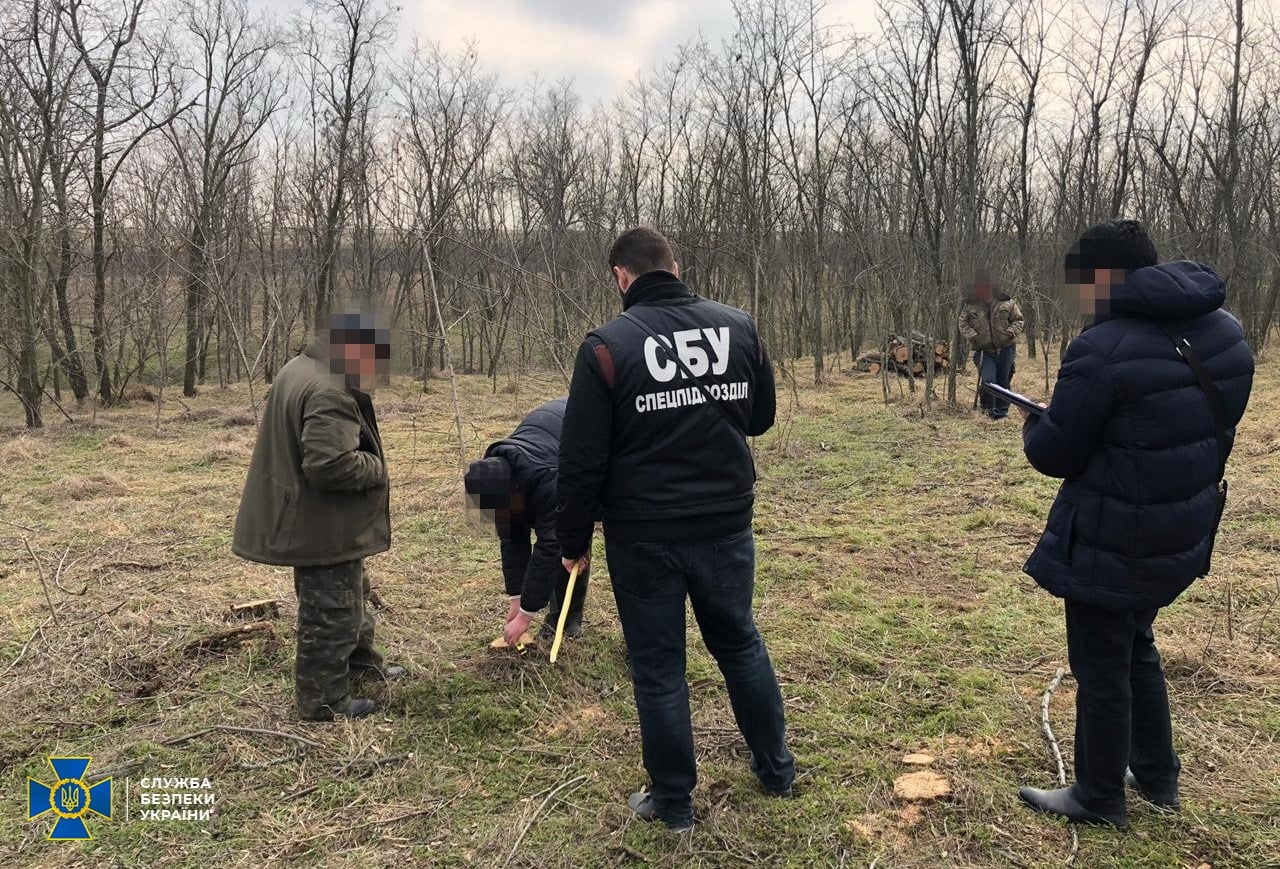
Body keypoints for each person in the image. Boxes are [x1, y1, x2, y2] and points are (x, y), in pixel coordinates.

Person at [557, 226, 795, 832]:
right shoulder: (738, 326)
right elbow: (761, 418)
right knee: (740, 642)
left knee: (660, 668)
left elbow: (582, 460)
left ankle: (675, 805)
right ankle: (777, 770)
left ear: (621, 277)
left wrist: (573, 542)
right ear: (676, 266)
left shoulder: (606, 346)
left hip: (643, 536)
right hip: (724, 523)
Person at [1016, 220, 1253, 827]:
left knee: (1100, 665)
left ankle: (1098, 796)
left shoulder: (1101, 347)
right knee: (1136, 644)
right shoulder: (1224, 331)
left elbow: (1055, 454)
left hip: (1114, 535)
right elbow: (1178, 420)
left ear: (1103, 279)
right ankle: (1155, 774)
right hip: (1181, 527)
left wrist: (1037, 422)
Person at [232, 312, 405, 722]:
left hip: (317, 518)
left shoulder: (303, 367)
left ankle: (361, 665)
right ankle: (323, 701)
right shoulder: (331, 389)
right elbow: (330, 464)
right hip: (318, 523)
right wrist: (378, 467)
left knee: (351, 595)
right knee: (332, 611)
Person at [464, 397, 589, 646]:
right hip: (553, 437)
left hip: (585, 431)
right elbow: (512, 541)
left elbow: (551, 545)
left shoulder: (546, 479)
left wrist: (525, 615)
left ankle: (566, 621)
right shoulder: (495, 478)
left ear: (515, 492)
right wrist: (516, 599)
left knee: (569, 545)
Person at [959, 274, 1024, 419]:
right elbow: (962, 323)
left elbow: (1019, 320)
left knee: (1003, 381)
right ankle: (988, 411)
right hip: (984, 351)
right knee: (989, 382)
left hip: (1006, 349)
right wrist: (973, 336)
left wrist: (1011, 332)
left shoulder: (1006, 302)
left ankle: (1001, 412)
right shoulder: (970, 305)